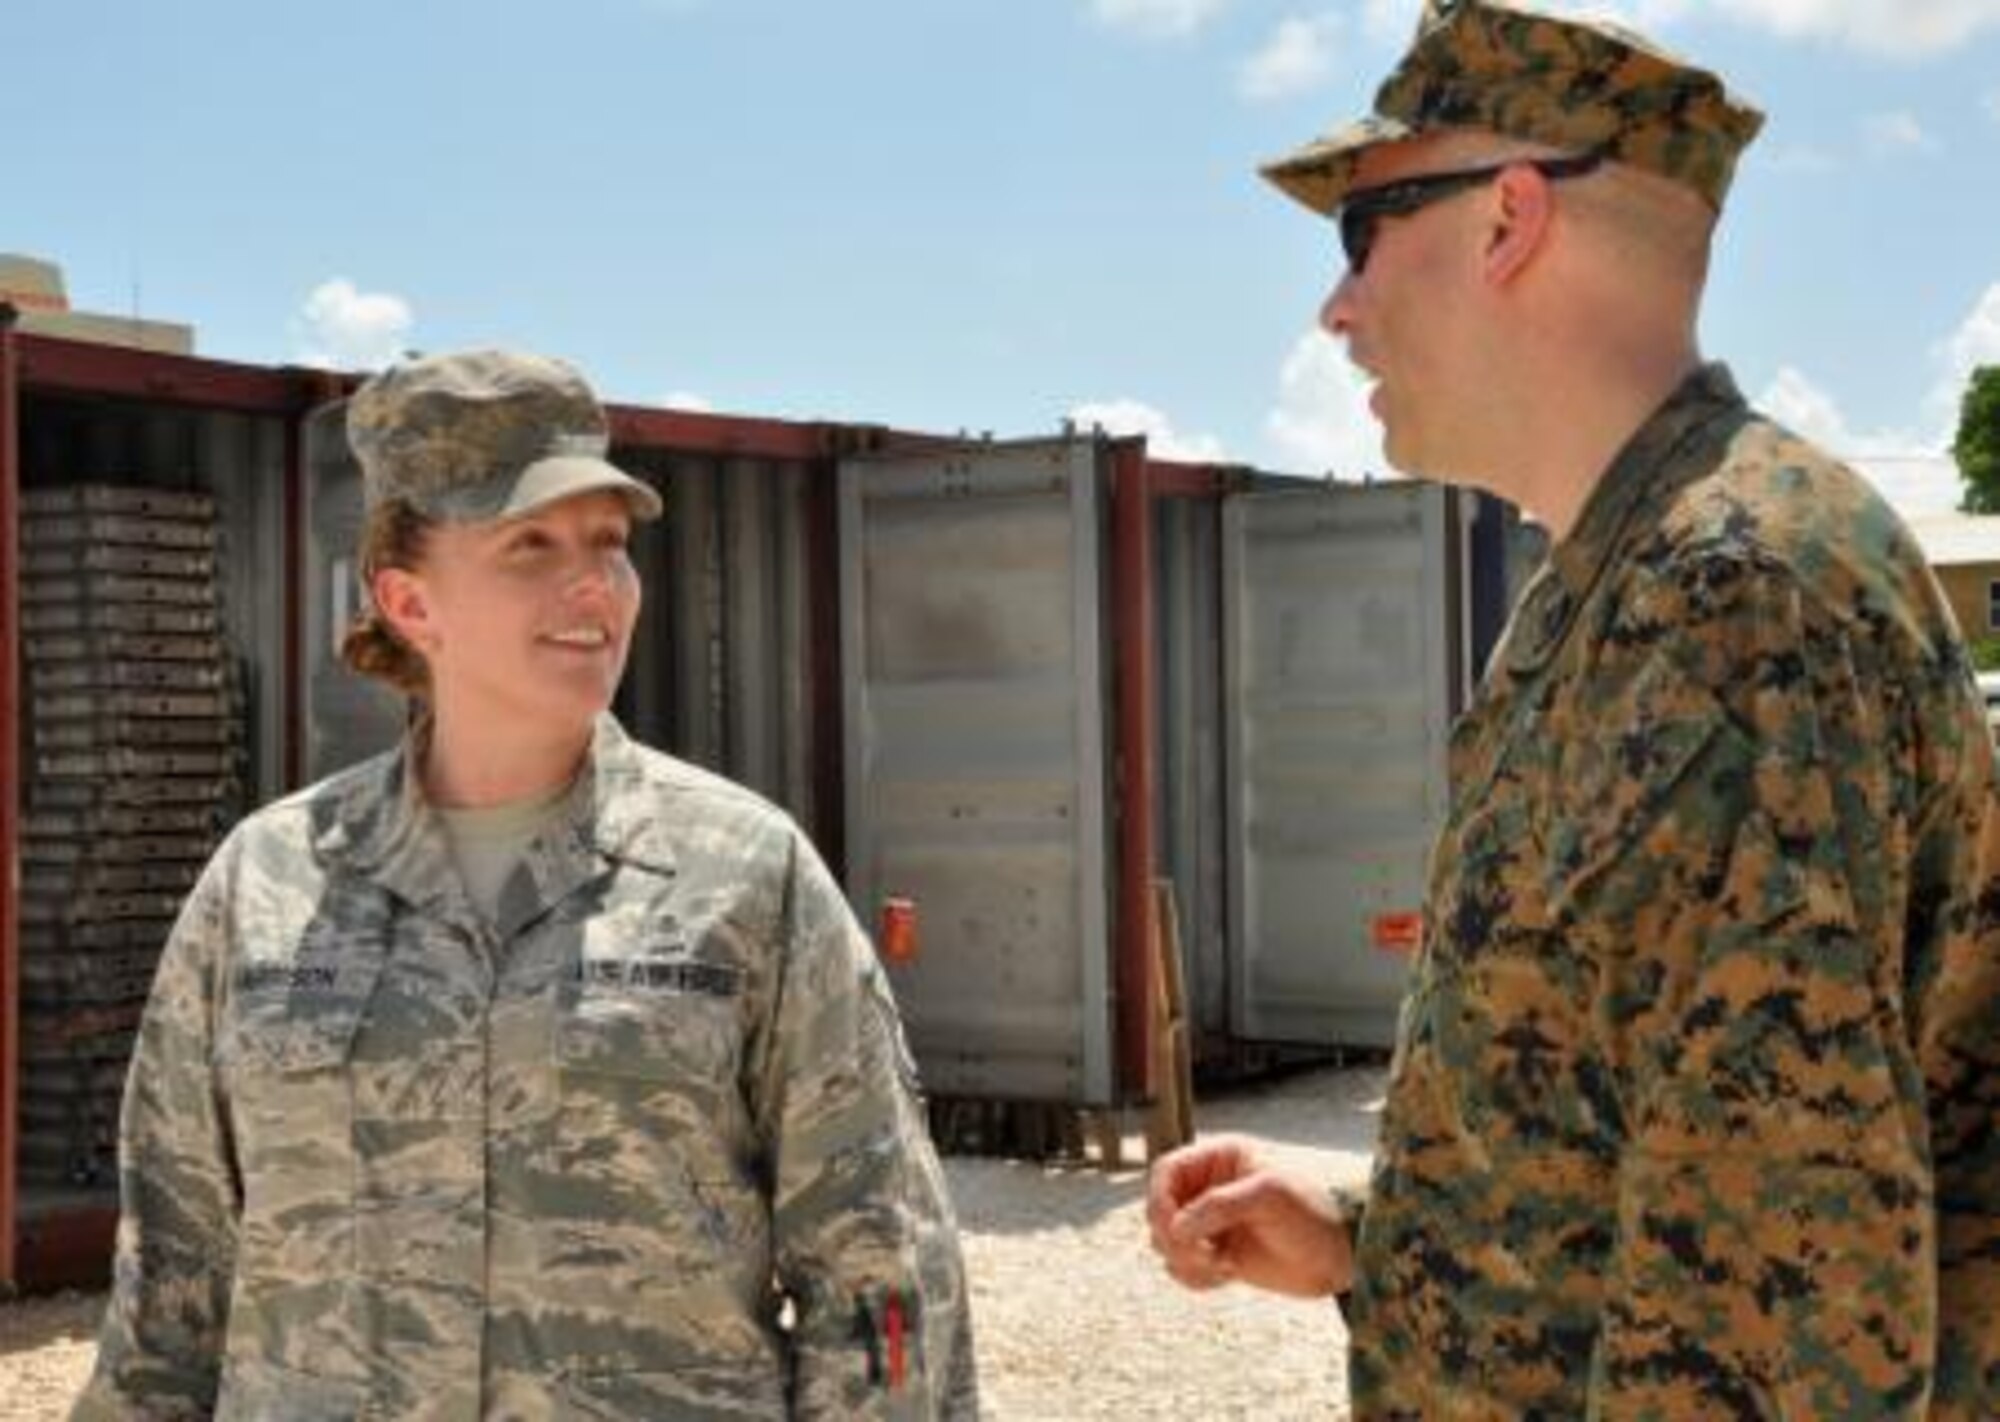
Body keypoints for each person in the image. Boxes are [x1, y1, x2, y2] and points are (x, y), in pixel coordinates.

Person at [1147, 2, 2000, 1416]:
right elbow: (1648, 1128)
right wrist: (1381, 1236)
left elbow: (1775, 1308)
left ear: (1505, 221)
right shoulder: (1630, 574)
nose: (1336, 308)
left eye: (1359, 237)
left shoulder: (1729, 597)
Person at [73, 349, 980, 1419]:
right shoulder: (266, 884)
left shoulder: (745, 873)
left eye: (607, 543)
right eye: (529, 546)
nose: (591, 582)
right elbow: (172, 1286)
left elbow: (878, 1273)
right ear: (409, 602)